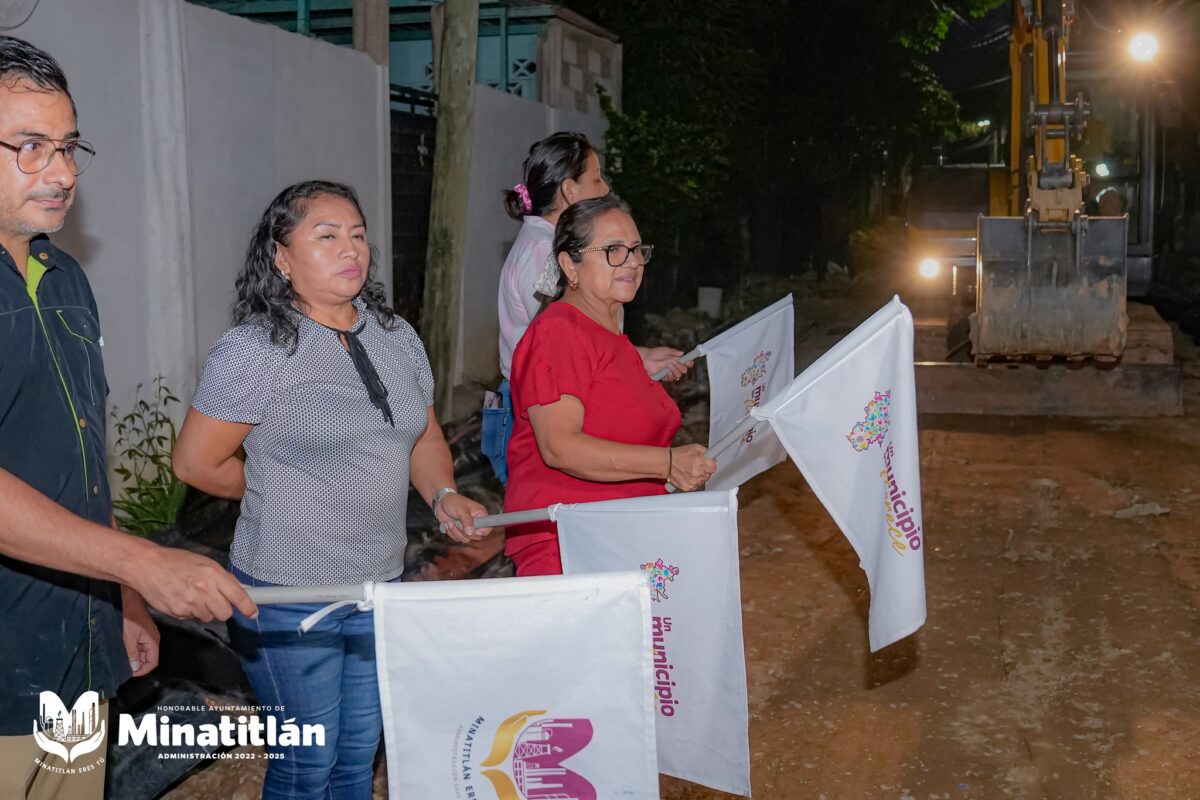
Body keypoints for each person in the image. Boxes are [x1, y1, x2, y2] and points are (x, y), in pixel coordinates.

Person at [172, 180, 490, 799]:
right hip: (290, 591)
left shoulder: (396, 337)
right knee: (306, 761)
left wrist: (444, 494)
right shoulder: (255, 350)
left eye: (358, 235)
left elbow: (422, 435)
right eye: (326, 236)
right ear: (281, 257)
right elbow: (195, 463)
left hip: (378, 582)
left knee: (357, 754)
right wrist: (277, 487)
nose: (351, 249)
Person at [0, 35, 256, 798]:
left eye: (69, 147)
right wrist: (140, 563)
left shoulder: (65, 279)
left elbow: (80, 459)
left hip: (71, 647)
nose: (63, 172)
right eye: (30, 147)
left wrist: (125, 598)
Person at [502, 195, 717, 576]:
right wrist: (667, 464)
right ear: (570, 265)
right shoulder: (558, 332)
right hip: (569, 543)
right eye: (613, 251)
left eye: (636, 250)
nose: (632, 262)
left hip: (619, 535)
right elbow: (560, 447)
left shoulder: (609, 335)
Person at [485, 132, 689, 485]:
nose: (605, 188)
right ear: (569, 190)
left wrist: (635, 357)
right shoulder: (544, 252)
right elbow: (563, 343)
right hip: (535, 404)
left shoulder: (545, 243)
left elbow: (586, 344)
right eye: (596, 179)